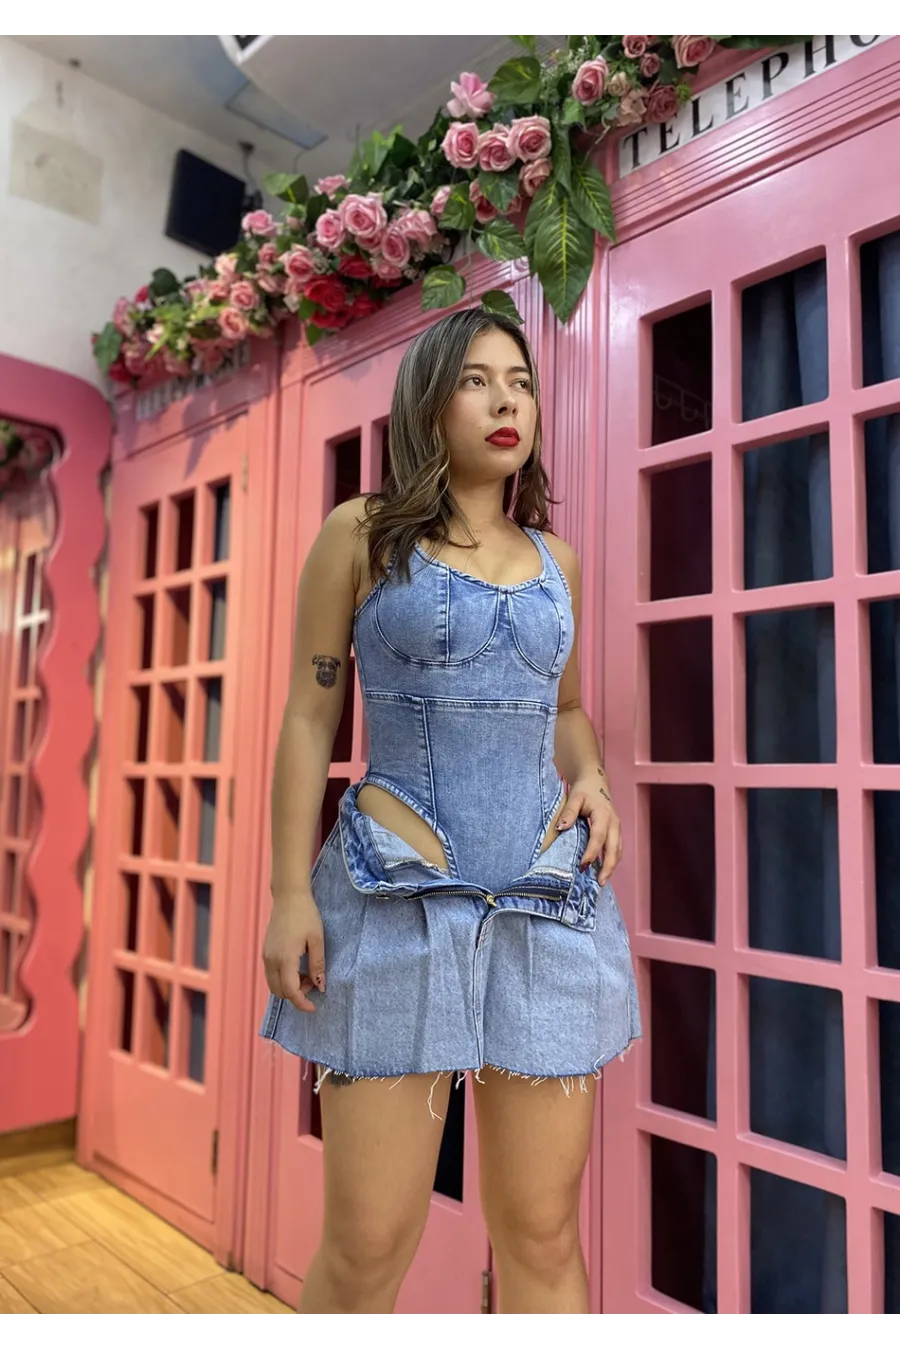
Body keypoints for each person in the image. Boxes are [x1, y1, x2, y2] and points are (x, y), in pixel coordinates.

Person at [260, 306, 640, 1317]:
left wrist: (594, 781)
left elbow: (566, 711)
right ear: (429, 401)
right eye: (476, 379)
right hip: (392, 903)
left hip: (544, 908)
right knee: (368, 1244)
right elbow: (309, 714)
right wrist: (288, 893)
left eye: (519, 381)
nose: (506, 399)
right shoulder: (361, 533)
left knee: (542, 1235)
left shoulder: (557, 561)